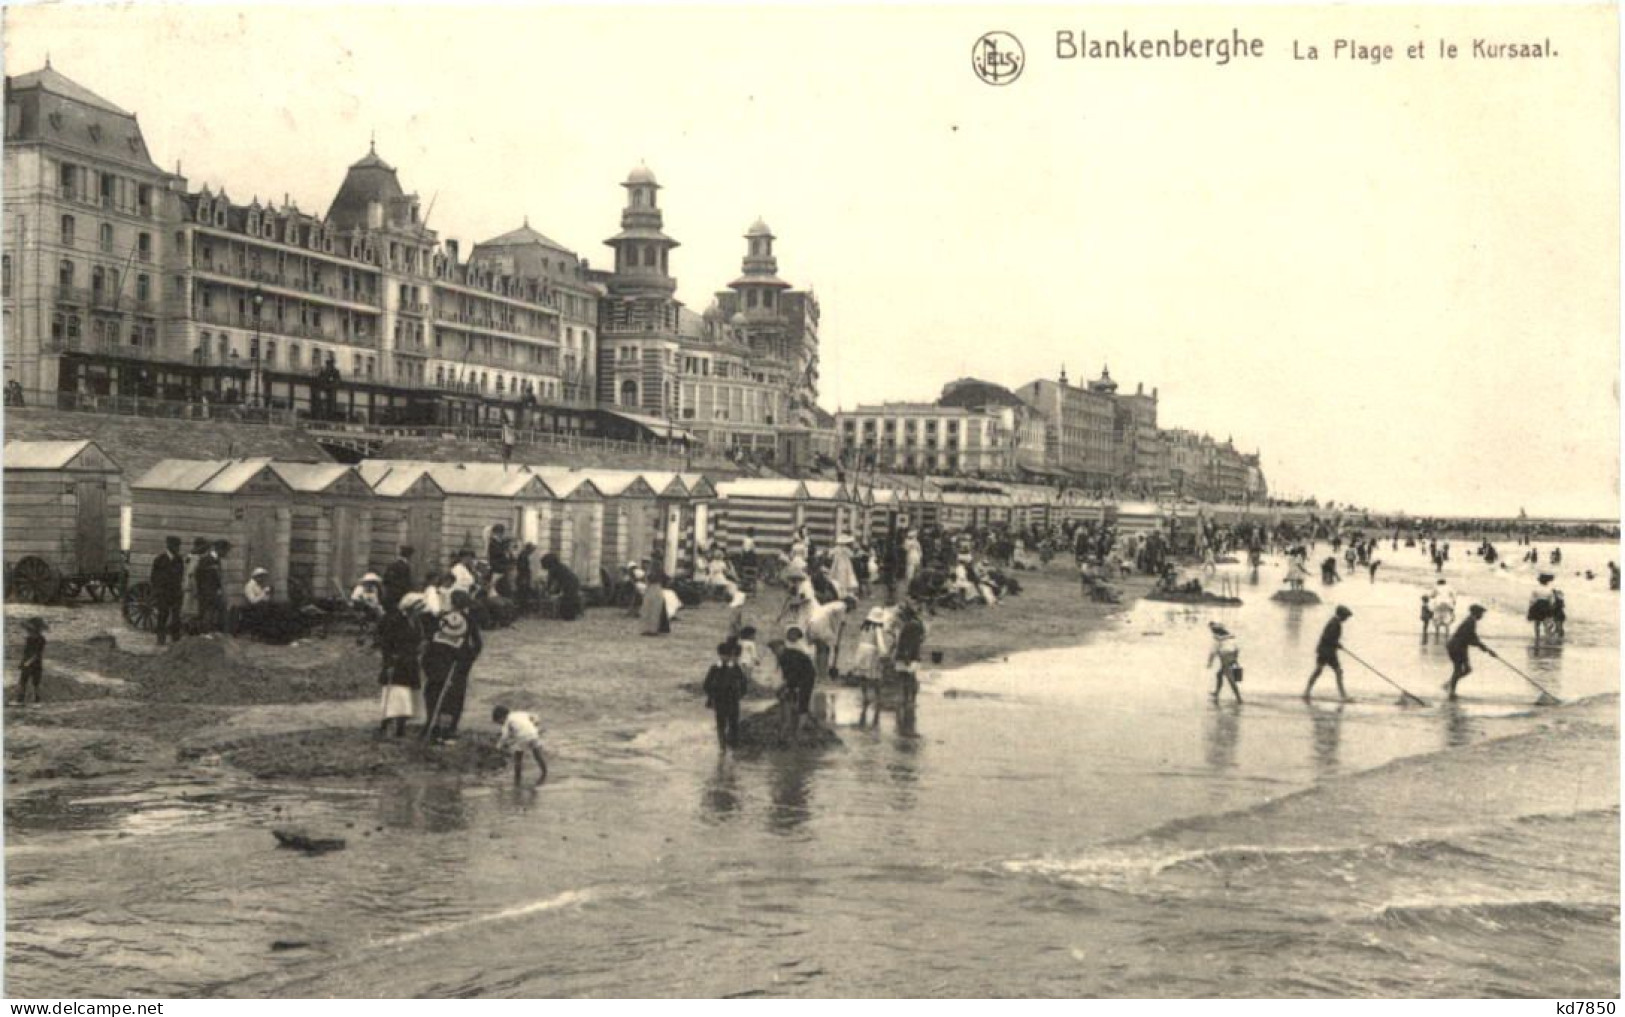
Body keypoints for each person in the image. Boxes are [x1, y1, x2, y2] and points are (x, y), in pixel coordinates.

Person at [423, 590, 471, 743]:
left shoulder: (442, 619)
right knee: (450, 697)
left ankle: (436, 725)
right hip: (452, 666)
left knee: (435, 694)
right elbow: (475, 646)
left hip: (441, 664)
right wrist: (465, 664)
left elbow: (430, 642)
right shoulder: (467, 621)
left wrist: (427, 663)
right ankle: (442, 728)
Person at [376, 593, 425, 738]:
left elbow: (418, 639)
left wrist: (420, 647)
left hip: (410, 662)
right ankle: (386, 724)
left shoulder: (416, 622)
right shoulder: (396, 621)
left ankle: (401, 726)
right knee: (395, 694)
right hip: (397, 662)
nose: (419, 611)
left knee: (407, 695)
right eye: (417, 608)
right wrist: (389, 661)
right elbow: (386, 643)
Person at [703, 640, 748, 751]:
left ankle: (733, 745)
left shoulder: (735, 668)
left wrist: (740, 695)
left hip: (732, 699)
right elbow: (706, 684)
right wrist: (711, 696)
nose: (726, 657)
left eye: (728, 655)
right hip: (720, 700)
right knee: (721, 724)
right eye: (723, 655)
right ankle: (722, 746)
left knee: (733, 723)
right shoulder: (715, 668)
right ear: (719, 655)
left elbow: (744, 683)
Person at [1445, 604, 1495, 700]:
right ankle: (1451, 691)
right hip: (1456, 647)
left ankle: (1449, 685)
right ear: (1476, 613)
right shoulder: (1470, 622)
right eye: (1481, 613)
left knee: (1467, 669)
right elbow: (1470, 639)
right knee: (1458, 669)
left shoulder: (1471, 621)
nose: (1482, 616)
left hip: (1461, 647)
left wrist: (1486, 649)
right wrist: (1484, 648)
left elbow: (1473, 638)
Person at [1304, 605, 1353, 702]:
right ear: (1341, 615)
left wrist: (1337, 644)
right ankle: (1343, 696)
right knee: (1323, 671)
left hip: (1328, 651)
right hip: (1326, 651)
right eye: (1346, 617)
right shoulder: (1334, 623)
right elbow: (1327, 638)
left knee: (1328, 671)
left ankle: (1307, 691)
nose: (1346, 619)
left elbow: (1329, 638)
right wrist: (1337, 644)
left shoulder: (1335, 622)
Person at [777, 626, 818, 741]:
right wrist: (786, 685)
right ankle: (790, 725)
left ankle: (799, 729)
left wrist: (786, 685)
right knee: (791, 697)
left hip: (806, 676)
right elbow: (787, 674)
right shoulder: (787, 654)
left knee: (803, 701)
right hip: (800, 674)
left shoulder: (791, 654)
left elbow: (792, 673)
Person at [493, 705, 548, 785]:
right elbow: (535, 717)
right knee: (537, 755)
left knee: (518, 758)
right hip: (533, 734)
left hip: (522, 737)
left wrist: (498, 746)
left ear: (502, 717)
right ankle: (544, 772)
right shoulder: (520, 714)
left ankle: (517, 778)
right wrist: (535, 724)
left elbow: (505, 736)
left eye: (499, 722)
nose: (500, 724)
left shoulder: (507, 721)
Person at [806, 594, 855, 682]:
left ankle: (820, 674)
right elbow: (838, 625)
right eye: (852, 607)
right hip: (820, 625)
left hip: (813, 623)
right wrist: (835, 642)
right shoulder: (842, 606)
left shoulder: (834, 605)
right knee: (824, 649)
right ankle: (822, 675)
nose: (851, 610)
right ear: (850, 604)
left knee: (820, 649)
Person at [150, 535, 186, 646]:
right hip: (163, 593)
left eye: (178, 546)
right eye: (175, 546)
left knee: (176, 617)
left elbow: (181, 575)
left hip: (175, 592)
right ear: (169, 546)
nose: (177, 548)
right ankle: (161, 639)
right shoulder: (159, 560)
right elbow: (154, 577)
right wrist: (158, 591)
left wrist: (179, 589)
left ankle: (175, 639)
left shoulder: (179, 560)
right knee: (163, 615)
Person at [853, 606, 891, 707]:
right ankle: (878, 697)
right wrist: (884, 653)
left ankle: (865, 696)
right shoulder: (877, 628)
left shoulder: (864, 627)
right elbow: (880, 642)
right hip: (871, 651)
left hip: (861, 650)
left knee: (863, 675)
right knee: (875, 676)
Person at [892, 603, 926, 706]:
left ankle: (906, 699)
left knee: (905, 677)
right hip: (913, 654)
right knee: (910, 677)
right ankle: (910, 699)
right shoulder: (918, 624)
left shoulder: (909, 625)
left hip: (907, 655)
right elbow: (921, 639)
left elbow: (908, 642)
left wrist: (906, 655)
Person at [538, 553, 583, 621]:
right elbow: (558, 581)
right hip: (573, 581)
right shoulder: (559, 566)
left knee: (568, 599)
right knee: (571, 597)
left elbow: (550, 582)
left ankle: (569, 615)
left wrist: (546, 590)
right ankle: (574, 613)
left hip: (569, 583)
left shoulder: (553, 569)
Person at [196, 540, 229, 633]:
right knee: (207, 613)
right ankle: (205, 633)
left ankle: (212, 631)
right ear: (220, 549)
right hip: (207, 592)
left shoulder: (217, 560)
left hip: (214, 591)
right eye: (225, 551)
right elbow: (199, 576)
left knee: (216, 612)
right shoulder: (206, 559)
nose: (226, 553)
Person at [1206, 621, 1242, 702]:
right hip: (1233, 657)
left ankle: (1239, 698)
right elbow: (1237, 649)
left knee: (1230, 679)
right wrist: (1235, 659)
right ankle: (1216, 693)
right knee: (1219, 675)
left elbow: (1213, 652)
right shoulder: (1231, 637)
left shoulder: (1217, 639)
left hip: (1225, 659)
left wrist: (1210, 663)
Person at [15, 617, 46, 705]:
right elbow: (26, 652)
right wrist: (23, 662)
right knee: (23, 681)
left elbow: (37, 654)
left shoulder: (41, 639)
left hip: (35, 663)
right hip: (27, 663)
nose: (28, 631)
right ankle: (20, 699)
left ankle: (37, 700)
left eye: (30, 629)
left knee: (35, 683)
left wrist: (27, 662)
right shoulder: (29, 639)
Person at [182, 536, 208, 628]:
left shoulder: (189, 556)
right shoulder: (195, 558)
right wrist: (196, 588)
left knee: (188, 607)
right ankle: (188, 628)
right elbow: (191, 574)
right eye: (203, 547)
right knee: (191, 608)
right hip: (192, 586)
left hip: (187, 584)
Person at [383, 545, 415, 611]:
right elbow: (406, 583)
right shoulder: (405, 567)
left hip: (389, 595)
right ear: (409, 556)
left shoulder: (391, 565)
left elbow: (385, 580)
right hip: (400, 596)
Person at [640, 570, 672, 635]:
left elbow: (644, 579)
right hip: (657, 590)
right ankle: (653, 629)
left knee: (649, 611)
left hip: (651, 590)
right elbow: (668, 579)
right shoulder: (660, 573)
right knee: (654, 611)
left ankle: (648, 629)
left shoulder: (649, 572)